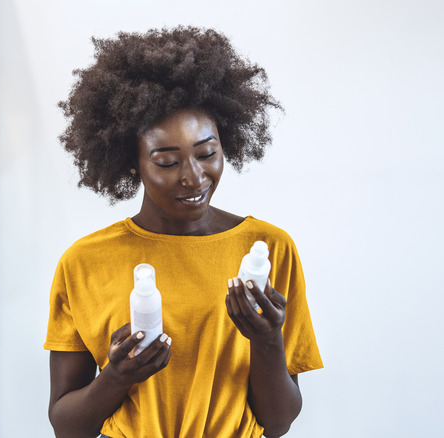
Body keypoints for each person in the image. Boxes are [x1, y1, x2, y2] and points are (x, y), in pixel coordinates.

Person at [45, 26, 323, 438]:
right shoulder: (84, 262)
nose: (194, 178)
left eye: (207, 153)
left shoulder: (268, 249)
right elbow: (67, 427)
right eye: (168, 162)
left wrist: (267, 342)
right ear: (130, 161)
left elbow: (278, 422)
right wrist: (116, 378)